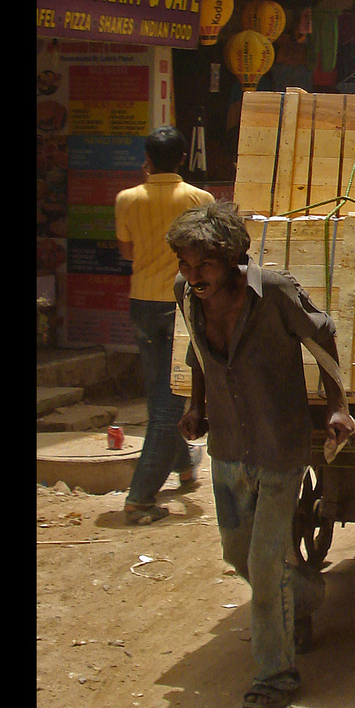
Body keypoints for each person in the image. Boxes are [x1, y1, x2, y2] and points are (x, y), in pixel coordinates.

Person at [166, 202, 355, 708]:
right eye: (185, 266)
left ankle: (276, 676)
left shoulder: (272, 291)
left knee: (265, 565)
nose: (193, 276)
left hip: (279, 448)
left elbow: (323, 334)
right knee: (237, 555)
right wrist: (195, 405)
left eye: (202, 265)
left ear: (230, 257)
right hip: (227, 446)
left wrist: (338, 407)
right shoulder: (187, 295)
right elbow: (199, 351)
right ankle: (309, 597)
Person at [115, 127, 214, 525]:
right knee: (170, 402)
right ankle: (139, 498)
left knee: (160, 394)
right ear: (181, 160)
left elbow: (126, 250)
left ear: (148, 159)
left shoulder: (128, 199)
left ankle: (185, 465)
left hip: (141, 303)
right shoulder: (199, 199)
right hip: (181, 305)